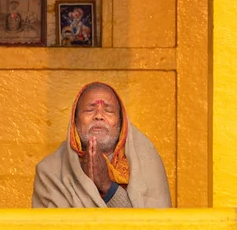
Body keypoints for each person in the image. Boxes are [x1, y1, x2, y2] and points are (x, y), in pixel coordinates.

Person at [32, 82, 171, 208]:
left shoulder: (147, 161)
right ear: (75, 121)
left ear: (122, 123)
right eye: (89, 110)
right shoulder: (49, 171)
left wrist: (107, 186)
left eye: (108, 110)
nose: (99, 115)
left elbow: (152, 225)